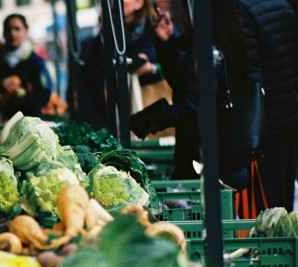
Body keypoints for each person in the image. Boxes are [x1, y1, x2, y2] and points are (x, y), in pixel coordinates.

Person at [131, 0, 262, 202]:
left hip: (211, 164)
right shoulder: (218, 42)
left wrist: (156, 116)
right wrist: (166, 42)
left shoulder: (209, 52)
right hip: (219, 159)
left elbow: (195, 108)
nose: (182, 16)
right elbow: (186, 85)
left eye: (185, 10)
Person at [235, 0, 298, 210]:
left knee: (267, 203)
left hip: (265, 123)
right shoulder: (284, 6)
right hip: (288, 113)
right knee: (284, 197)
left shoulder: (243, 10)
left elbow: (251, 74)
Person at [82, 0, 165, 126]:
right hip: (123, 116)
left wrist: (152, 68)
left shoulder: (158, 25)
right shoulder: (107, 34)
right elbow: (93, 78)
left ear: (139, 3)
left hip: (157, 109)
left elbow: (178, 64)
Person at [0, 14, 53, 121]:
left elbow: (44, 94)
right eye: (8, 29)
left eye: (17, 29)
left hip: (29, 121)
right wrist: (0, 83)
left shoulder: (35, 61)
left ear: (26, 31)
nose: (12, 33)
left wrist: (14, 100)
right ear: (3, 33)